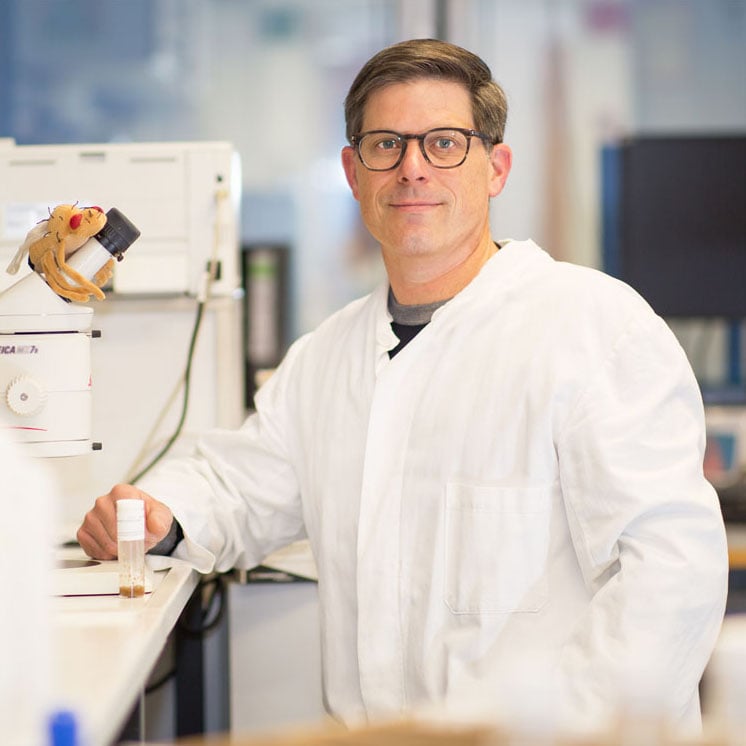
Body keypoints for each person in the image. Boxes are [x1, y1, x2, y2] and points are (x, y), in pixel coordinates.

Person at [78, 38, 728, 734]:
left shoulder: (595, 328)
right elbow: (239, 484)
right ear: (353, 174)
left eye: (444, 143)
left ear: (496, 168)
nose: (412, 168)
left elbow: (670, 576)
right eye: (386, 145)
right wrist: (160, 515)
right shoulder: (326, 357)